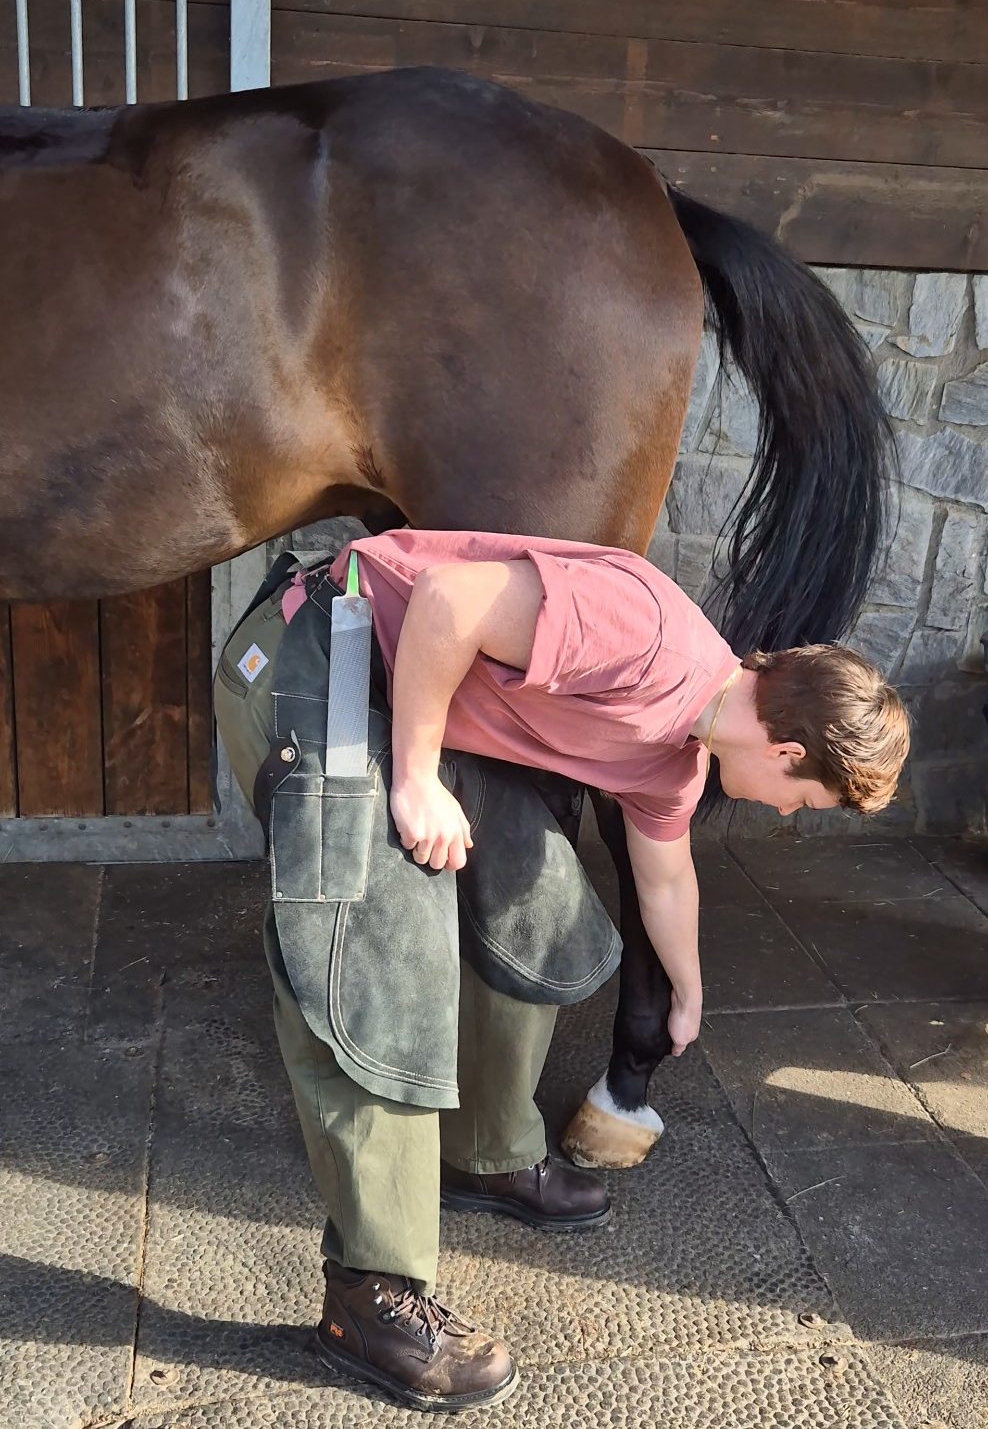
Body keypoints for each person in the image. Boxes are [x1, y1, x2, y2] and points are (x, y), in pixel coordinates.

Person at [214, 526, 909, 1414]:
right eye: (805, 801)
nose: (787, 812)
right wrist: (417, 778)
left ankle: (483, 1152)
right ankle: (369, 1296)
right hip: (324, 652)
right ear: (790, 753)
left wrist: (689, 990)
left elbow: (666, 878)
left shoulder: (675, 762)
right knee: (374, 958)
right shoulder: (651, 638)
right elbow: (447, 602)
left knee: (539, 909)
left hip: (415, 687)